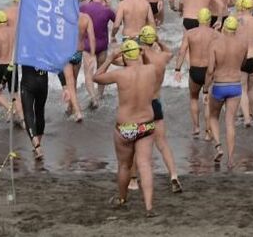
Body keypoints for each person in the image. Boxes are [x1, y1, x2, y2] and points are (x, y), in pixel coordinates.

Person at [93, 40, 158, 216]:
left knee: (124, 165)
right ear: (138, 53)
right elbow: (152, 66)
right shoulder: (150, 70)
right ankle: (149, 207)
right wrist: (144, 54)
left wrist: (109, 59)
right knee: (144, 164)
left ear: (123, 56)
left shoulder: (120, 74)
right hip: (146, 124)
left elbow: (96, 77)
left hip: (125, 127)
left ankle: (122, 199)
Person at [139, 26, 182, 193]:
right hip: (155, 103)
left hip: (142, 105)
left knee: (138, 143)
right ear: (154, 40)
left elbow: (116, 59)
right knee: (162, 144)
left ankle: (134, 180)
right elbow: (170, 52)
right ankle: (173, 175)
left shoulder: (139, 57)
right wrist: (158, 41)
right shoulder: (162, 58)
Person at [205, 17, 249, 167]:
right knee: (230, 122)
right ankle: (231, 159)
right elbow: (243, 63)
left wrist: (205, 88)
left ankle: (218, 146)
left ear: (223, 28)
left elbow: (210, 70)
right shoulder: (243, 44)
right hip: (235, 85)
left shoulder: (215, 44)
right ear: (236, 29)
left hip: (219, 84)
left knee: (213, 116)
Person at [176, 8, 219, 138]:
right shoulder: (215, 34)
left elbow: (182, 51)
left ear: (198, 19)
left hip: (194, 71)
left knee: (194, 98)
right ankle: (208, 133)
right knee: (208, 101)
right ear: (210, 19)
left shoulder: (189, 33)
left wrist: (177, 69)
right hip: (209, 72)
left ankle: (196, 127)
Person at [80, 0, 116, 106]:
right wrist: (109, 6)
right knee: (102, 72)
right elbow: (117, 21)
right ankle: (100, 95)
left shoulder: (84, 7)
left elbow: (74, 14)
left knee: (88, 73)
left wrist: (86, 1)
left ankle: (93, 97)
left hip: (87, 46)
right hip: (102, 46)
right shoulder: (107, 10)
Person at [0, 11, 24, 123]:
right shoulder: (14, 31)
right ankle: (22, 119)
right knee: (14, 93)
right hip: (13, 65)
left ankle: (10, 108)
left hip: (2, 66)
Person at [58, 12, 95, 122]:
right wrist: (92, 55)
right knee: (73, 81)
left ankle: (77, 111)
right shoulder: (86, 17)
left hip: (65, 52)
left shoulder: (63, 16)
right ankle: (70, 106)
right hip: (78, 53)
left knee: (69, 82)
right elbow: (92, 38)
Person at [20, 62, 50, 160]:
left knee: (28, 112)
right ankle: (38, 144)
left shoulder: (23, 46)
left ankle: (36, 145)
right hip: (43, 82)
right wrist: (65, 86)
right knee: (40, 112)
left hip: (28, 82)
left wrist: (4, 80)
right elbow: (55, 61)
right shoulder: (46, 46)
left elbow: (13, 62)